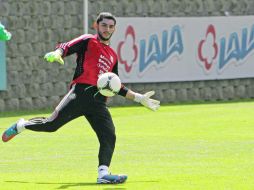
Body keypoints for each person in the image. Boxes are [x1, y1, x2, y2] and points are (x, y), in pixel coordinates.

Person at [2, 12, 160, 184]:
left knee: (109, 135)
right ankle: (22, 125)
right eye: (104, 25)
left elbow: (115, 86)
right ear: (96, 25)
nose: (107, 29)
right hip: (80, 94)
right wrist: (58, 53)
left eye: (111, 26)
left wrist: (139, 98)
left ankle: (103, 174)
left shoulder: (113, 56)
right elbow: (66, 46)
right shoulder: (88, 40)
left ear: (114, 28)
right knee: (51, 125)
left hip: (99, 102)